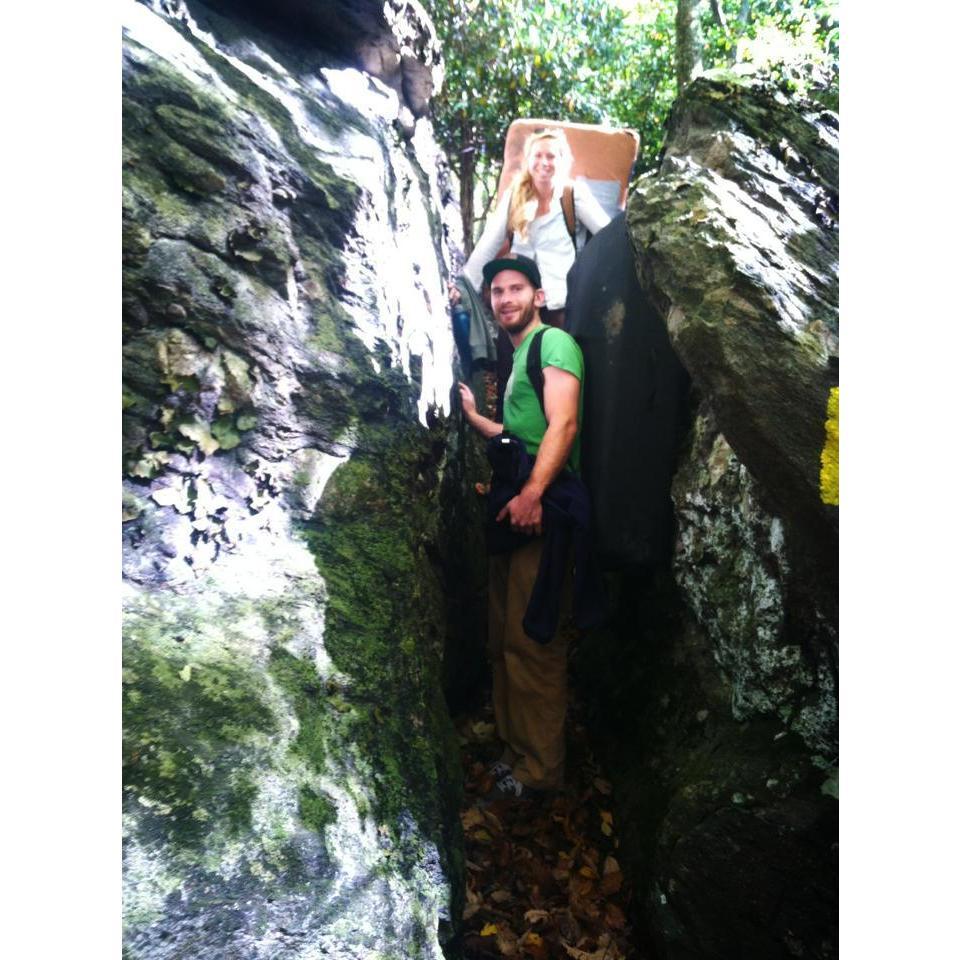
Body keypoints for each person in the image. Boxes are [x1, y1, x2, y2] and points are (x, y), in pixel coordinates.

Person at [458, 253, 587, 802]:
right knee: (505, 636)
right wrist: (475, 417)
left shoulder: (552, 344)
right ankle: (514, 751)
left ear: (538, 296)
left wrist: (534, 493)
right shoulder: (518, 359)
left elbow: (565, 422)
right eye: (497, 292)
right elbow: (521, 433)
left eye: (516, 289)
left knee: (533, 639)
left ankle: (539, 773)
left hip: (545, 505)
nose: (505, 298)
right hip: (518, 506)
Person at [460, 128, 611, 418]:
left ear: (563, 161)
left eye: (551, 156)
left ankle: (559, 449)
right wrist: (465, 283)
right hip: (520, 306)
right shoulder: (517, 195)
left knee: (557, 384)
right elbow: (489, 243)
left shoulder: (572, 194)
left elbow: (606, 237)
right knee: (513, 381)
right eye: (538, 156)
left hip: (561, 306)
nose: (544, 162)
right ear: (529, 161)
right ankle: (511, 451)